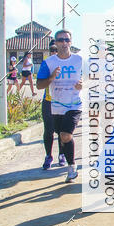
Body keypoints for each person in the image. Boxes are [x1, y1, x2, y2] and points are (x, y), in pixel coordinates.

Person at [36, 29, 83, 182]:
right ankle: (57, 156)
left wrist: (84, 85)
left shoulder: (80, 60)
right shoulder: (49, 63)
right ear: (55, 43)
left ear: (71, 42)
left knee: (65, 135)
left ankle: (72, 168)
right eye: (60, 40)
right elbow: (39, 85)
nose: (64, 43)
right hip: (55, 105)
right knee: (60, 135)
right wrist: (51, 77)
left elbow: (93, 78)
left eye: (67, 40)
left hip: (74, 104)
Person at [41, 41, 66, 170]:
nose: (54, 52)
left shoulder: (67, 65)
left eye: (56, 50)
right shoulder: (46, 64)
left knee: (61, 131)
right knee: (48, 131)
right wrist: (51, 76)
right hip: (48, 101)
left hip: (62, 102)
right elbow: (40, 84)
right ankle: (48, 156)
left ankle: (62, 154)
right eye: (52, 50)